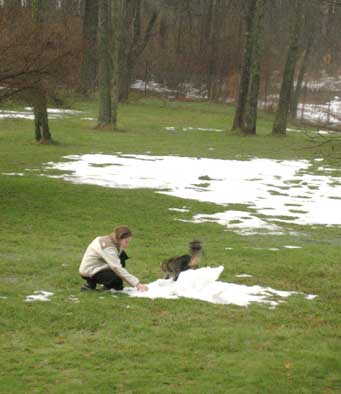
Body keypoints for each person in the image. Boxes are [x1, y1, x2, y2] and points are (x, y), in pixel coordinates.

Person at [79, 226, 148, 292]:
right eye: (126, 242)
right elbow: (116, 267)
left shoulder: (114, 240)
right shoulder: (108, 247)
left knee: (122, 256)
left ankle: (106, 284)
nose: (127, 245)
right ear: (119, 238)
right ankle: (90, 284)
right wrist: (137, 284)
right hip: (89, 270)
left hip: (100, 265)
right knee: (117, 282)